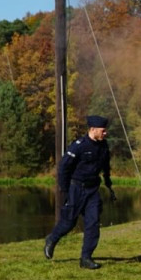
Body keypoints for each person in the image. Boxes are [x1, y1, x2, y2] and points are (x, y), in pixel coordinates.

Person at [44, 115, 115, 270]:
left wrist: (108, 183)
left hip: (92, 190)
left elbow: (106, 166)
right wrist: (64, 191)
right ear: (93, 129)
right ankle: (52, 239)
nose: (105, 133)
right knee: (68, 223)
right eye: (103, 131)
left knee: (93, 223)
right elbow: (63, 168)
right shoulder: (79, 146)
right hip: (76, 188)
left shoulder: (103, 146)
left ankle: (86, 258)